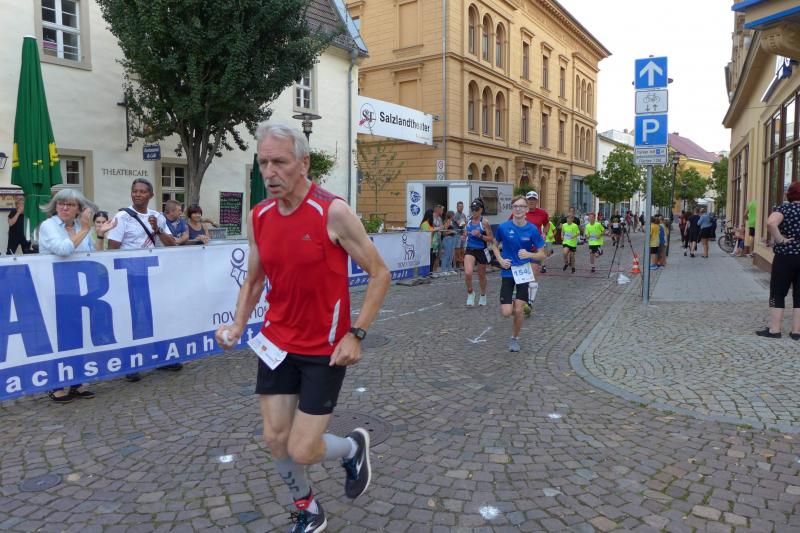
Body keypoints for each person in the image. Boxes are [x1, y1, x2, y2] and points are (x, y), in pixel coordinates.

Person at [215, 123, 390, 533]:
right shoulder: (259, 216)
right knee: (275, 438)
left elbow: (380, 273)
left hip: (322, 350)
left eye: (279, 162)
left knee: (303, 448)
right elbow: (254, 279)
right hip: (276, 343)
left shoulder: (333, 212)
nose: (269, 172)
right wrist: (237, 324)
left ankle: (351, 447)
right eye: (263, 163)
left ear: (303, 163)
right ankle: (308, 509)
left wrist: (356, 333)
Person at [38, 189, 117, 402]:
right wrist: (84, 228)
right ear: (55, 206)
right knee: (59, 337)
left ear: (79, 209)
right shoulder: (49, 226)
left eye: (70, 204)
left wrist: (100, 235)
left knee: (79, 335)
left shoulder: (81, 228)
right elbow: (63, 249)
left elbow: (94, 254)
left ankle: (77, 381)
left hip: (80, 289)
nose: (64, 208)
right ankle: (56, 384)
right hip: (56, 289)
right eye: (61, 203)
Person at [107, 178, 178, 380]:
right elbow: (112, 248)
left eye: (142, 191)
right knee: (132, 319)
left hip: (153, 275)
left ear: (151, 195)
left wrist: (158, 230)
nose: (137, 194)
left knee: (156, 316)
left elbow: (171, 244)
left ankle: (162, 357)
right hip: (130, 276)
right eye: (135, 191)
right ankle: (130, 363)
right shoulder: (122, 217)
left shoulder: (157, 217)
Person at [491, 196, 546, 352]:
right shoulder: (503, 227)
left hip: (523, 273)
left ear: (526, 209)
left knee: (518, 310)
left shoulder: (532, 229)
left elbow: (542, 254)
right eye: (515, 206)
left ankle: (514, 339)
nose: (518, 209)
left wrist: (529, 254)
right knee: (507, 312)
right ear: (512, 209)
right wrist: (500, 260)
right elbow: (494, 245)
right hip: (508, 272)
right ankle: (515, 300)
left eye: (521, 206)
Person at [756, 181, 800, 339]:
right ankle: (796, 331)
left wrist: (780, 240)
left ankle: (775, 330)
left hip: (785, 258)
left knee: (778, 292)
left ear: (789, 194)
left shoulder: (784, 208)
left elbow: (770, 223)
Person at [464, 199, 493, 306]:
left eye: (476, 209)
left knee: (481, 275)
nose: (474, 211)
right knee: (468, 272)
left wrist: (480, 235)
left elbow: (491, 238)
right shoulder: (468, 221)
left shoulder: (484, 222)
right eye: (472, 209)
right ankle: (470, 292)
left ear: (481, 210)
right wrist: (464, 235)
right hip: (470, 249)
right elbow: (465, 233)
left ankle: (483, 294)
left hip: (481, 250)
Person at [420, 208, 439, 272]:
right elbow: (429, 231)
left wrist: (436, 228)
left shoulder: (428, 224)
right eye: (432, 216)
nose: (433, 218)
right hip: (426, 245)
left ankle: (430, 272)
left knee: (432, 259)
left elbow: (432, 229)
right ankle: (425, 272)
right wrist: (435, 229)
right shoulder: (425, 224)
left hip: (431, 245)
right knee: (428, 260)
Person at [453, 201, 467, 269]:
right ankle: (455, 266)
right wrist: (465, 222)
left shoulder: (463, 214)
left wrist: (464, 223)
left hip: (462, 234)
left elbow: (464, 224)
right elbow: (460, 224)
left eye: (462, 206)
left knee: (462, 250)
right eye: (459, 206)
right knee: (456, 250)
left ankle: (461, 265)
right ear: (457, 207)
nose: (461, 207)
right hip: (457, 235)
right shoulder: (456, 215)